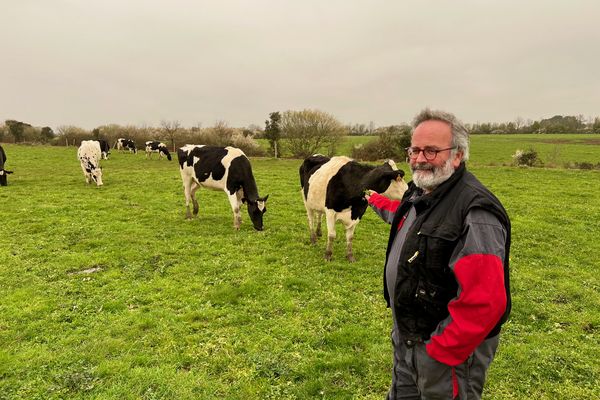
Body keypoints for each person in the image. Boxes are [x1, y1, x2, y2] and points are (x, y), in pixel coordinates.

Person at [366, 108, 511, 400]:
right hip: (409, 338)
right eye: (415, 150)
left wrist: (440, 352)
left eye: (432, 151)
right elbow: (404, 218)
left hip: (445, 353)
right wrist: (376, 201)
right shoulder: (420, 192)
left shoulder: (474, 211)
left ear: (457, 155)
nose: (419, 159)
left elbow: (484, 303)